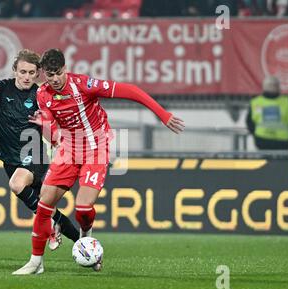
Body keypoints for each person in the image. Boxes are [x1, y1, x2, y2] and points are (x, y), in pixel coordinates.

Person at [13, 48, 185, 275]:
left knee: (83, 208)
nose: (53, 80)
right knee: (44, 205)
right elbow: (54, 136)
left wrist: (163, 115)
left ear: (65, 69)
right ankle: (36, 262)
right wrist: (46, 126)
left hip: (96, 150)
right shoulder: (43, 95)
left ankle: (86, 236)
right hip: (68, 150)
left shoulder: (84, 85)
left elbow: (131, 90)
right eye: (49, 75)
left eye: (57, 73)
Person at [0, 49, 79, 251]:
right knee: (47, 210)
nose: (27, 77)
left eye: (31, 73)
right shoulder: (2, 87)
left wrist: (45, 123)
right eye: (23, 72)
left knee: (17, 184)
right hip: (9, 159)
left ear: (37, 73)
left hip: (33, 156)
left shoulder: (41, 95)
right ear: (15, 71)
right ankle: (83, 243)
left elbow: (52, 135)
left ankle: (51, 227)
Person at [246, 75, 288, 150]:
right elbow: (249, 122)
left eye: (274, 85)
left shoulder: (286, 102)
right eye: (270, 85)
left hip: (278, 141)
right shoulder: (255, 102)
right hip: (267, 141)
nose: (272, 87)